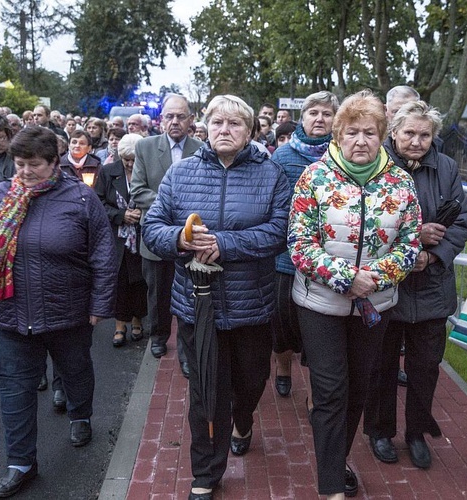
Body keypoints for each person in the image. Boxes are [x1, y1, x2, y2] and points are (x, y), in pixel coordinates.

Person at [143, 94, 291, 500]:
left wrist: (225, 244)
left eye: (235, 124)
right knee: (206, 392)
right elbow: (152, 227)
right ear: (204, 128)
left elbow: (280, 232)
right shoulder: (181, 174)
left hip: (252, 306)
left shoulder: (271, 175)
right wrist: (180, 238)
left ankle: (243, 419)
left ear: (249, 132)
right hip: (197, 304)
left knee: (250, 383)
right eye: (217, 123)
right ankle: (205, 474)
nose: (225, 130)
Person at [0, 126, 116, 498]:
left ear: (54, 162)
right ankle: (21, 463)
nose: (25, 171)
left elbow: (103, 254)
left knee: (76, 372)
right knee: (15, 391)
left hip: (68, 313)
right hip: (11, 314)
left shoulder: (81, 198)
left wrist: (99, 305)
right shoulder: (0, 196)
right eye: (19, 164)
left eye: (34, 164)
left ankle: (81, 416)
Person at [288, 90, 421, 499]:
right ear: (337, 135)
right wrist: (347, 278)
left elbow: (411, 243)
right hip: (320, 303)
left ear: (382, 135)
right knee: (330, 390)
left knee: (358, 389)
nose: (360, 140)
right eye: (351, 132)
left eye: (369, 132)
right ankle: (331, 488)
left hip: (374, 305)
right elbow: (299, 242)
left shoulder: (400, 182)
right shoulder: (315, 178)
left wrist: (374, 277)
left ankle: (337, 457)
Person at [363, 100, 467, 468]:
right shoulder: (375, 166)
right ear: (393, 132)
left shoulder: (447, 168)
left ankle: (416, 432)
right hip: (386, 287)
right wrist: (413, 240)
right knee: (381, 365)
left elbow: (462, 221)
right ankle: (379, 431)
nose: (416, 141)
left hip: (432, 286)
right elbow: (365, 222)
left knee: (426, 366)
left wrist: (434, 254)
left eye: (424, 135)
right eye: (409, 132)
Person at [270, 90, 338, 399]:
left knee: (319, 325)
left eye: (326, 113)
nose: (320, 118)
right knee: (283, 318)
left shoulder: (341, 155)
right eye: (314, 112)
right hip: (286, 255)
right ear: (303, 117)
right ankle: (283, 366)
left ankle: (315, 390)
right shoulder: (283, 156)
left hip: (328, 256)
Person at [130, 94, 202, 376]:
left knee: (187, 297)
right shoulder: (145, 148)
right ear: (161, 120)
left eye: (180, 116)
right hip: (157, 235)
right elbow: (137, 191)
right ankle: (158, 337)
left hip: (189, 237)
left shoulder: (200, 149)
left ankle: (186, 351)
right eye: (169, 116)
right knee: (157, 293)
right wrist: (169, 204)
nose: (175, 122)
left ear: (190, 120)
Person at [94, 133, 148, 347]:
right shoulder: (108, 171)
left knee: (140, 281)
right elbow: (97, 202)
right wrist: (121, 215)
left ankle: (137, 321)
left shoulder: (146, 171)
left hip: (142, 237)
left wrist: (140, 215)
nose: (129, 163)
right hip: (117, 239)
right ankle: (119, 326)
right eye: (126, 159)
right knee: (119, 282)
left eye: (134, 159)